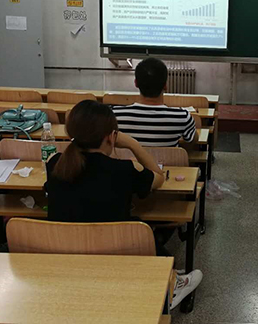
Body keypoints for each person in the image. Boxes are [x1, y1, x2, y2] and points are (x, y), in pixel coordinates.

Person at [45, 100, 202, 309]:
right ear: (111, 136)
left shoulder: (54, 163)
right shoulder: (125, 169)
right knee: (141, 231)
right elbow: (158, 177)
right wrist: (132, 144)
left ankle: (167, 272)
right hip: (116, 253)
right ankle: (172, 284)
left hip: (64, 254)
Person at [113, 57, 196, 147]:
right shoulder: (182, 117)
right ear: (165, 85)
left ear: (136, 83)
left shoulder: (114, 116)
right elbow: (193, 140)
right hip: (166, 157)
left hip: (130, 157)